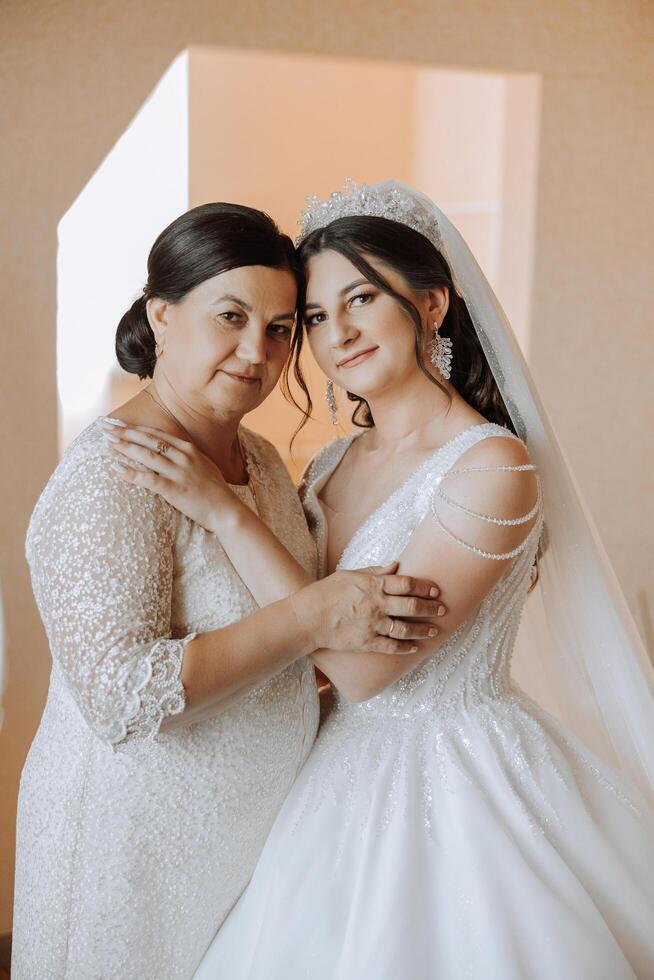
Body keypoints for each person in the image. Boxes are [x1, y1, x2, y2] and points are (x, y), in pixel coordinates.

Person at [110, 181, 654, 979]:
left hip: (459, 783)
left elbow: (361, 668)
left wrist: (225, 514)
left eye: (361, 298)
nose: (340, 334)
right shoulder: (329, 466)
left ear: (431, 305)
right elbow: (304, 627)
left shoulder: (493, 466)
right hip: (322, 775)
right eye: (319, 318)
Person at [12, 200, 448, 980]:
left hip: (247, 856)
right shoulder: (114, 475)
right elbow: (121, 697)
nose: (257, 351)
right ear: (163, 317)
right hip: (131, 856)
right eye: (231, 316)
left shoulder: (264, 461)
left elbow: (289, 657)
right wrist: (311, 614)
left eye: (282, 327)